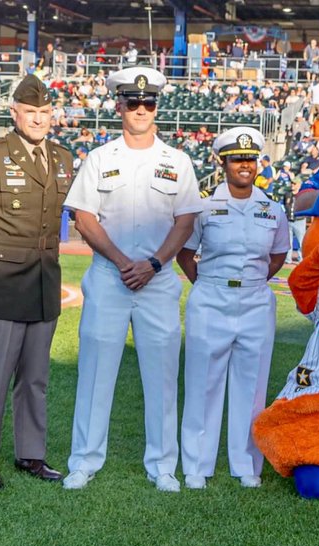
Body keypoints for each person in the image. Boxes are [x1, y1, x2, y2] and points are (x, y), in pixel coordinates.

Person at [63, 66, 200, 492]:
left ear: (157, 107)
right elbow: (83, 217)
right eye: (133, 102)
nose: (141, 109)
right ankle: (84, 461)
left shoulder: (177, 161)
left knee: (162, 375)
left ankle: (163, 466)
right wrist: (124, 261)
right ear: (119, 105)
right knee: (94, 371)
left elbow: (185, 220)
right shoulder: (100, 158)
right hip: (109, 276)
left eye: (149, 102)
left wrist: (154, 264)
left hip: (157, 282)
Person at [0, 74, 72, 489]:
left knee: (35, 377)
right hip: (1, 280)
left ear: (50, 114)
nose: (38, 119)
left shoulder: (62, 158)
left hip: (43, 280)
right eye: (30, 112)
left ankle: (30, 454)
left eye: (44, 112)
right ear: (15, 113)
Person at [177, 126, 288, 489]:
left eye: (251, 159)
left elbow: (277, 255)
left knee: (252, 387)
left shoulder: (272, 208)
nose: (245, 165)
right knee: (202, 384)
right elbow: (185, 252)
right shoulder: (204, 205)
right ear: (222, 162)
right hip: (211, 299)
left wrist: (248, 283)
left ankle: (246, 466)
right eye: (237, 159)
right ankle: (197, 465)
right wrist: (211, 283)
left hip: (256, 301)